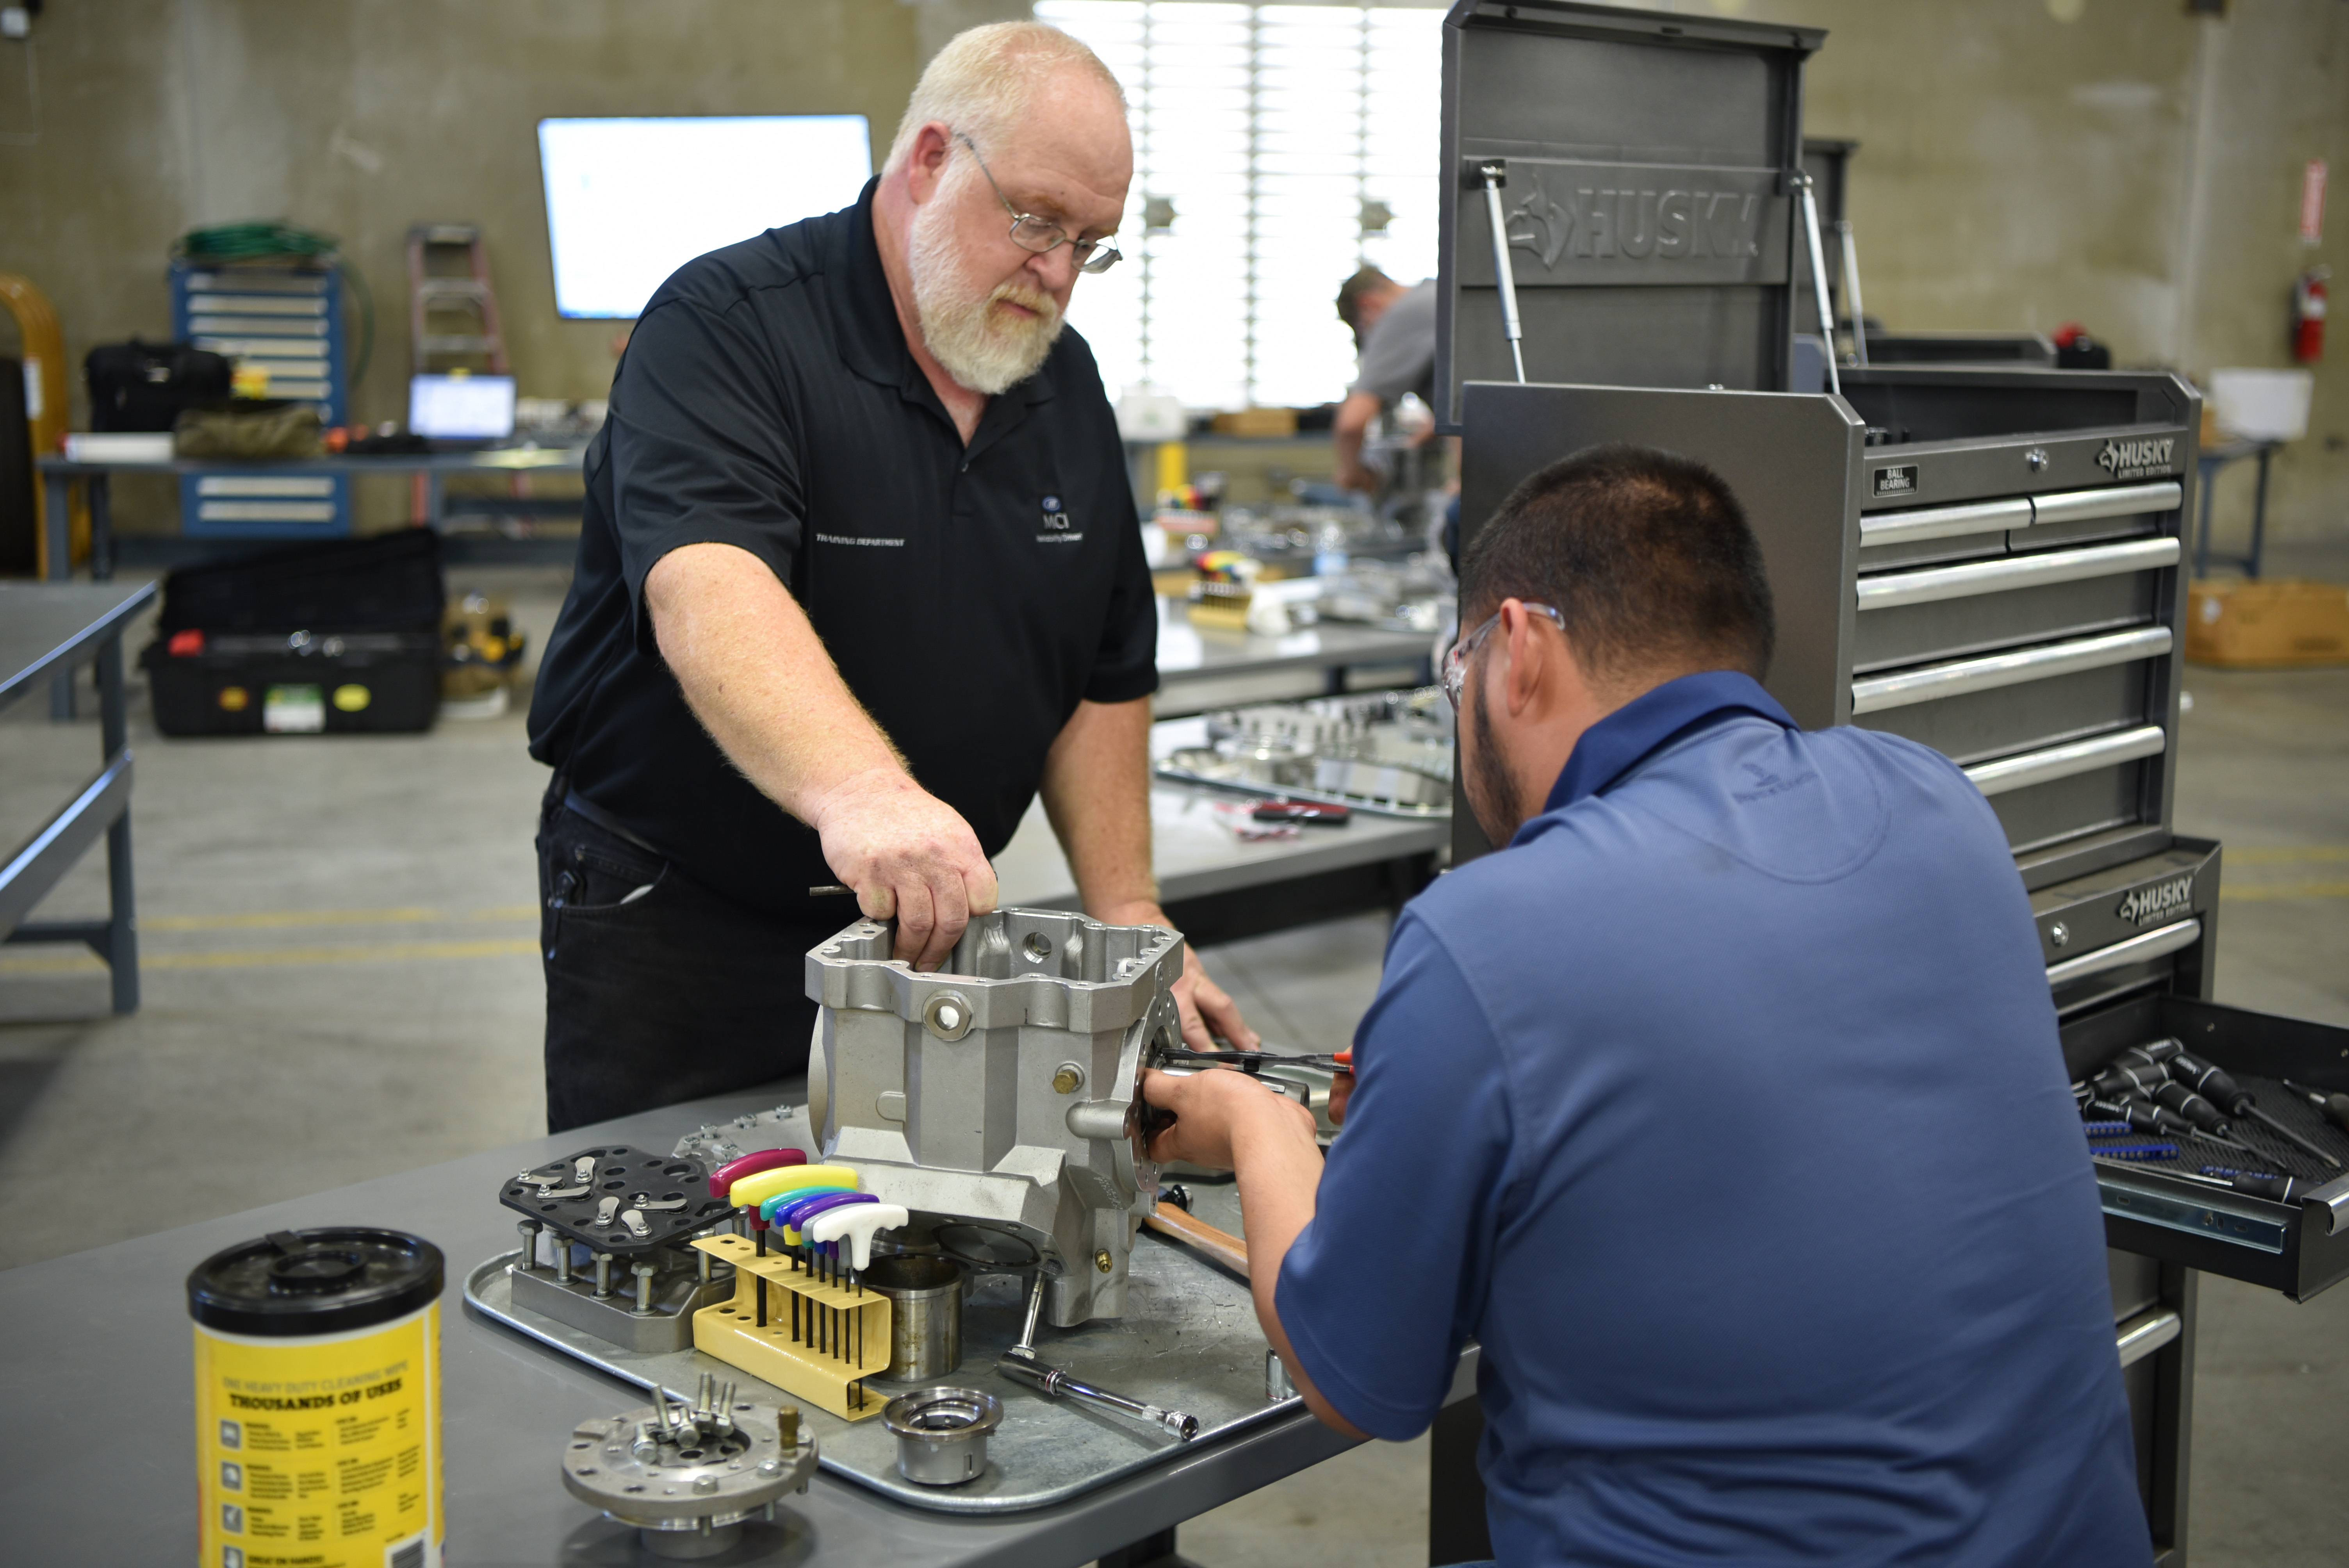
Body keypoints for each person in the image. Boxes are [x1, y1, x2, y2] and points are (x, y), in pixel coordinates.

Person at [1141, 445, 2151, 1566]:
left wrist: (1260, 1129)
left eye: (1455, 666)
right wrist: (1451, 1098)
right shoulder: (1938, 802)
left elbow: (1352, 1378)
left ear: (1515, 649)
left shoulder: (1484, 932)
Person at [526, 22, 1256, 1135]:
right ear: (928, 162)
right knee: (677, 1238)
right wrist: (866, 795)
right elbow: (706, 585)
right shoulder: (727, 329)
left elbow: (1102, 670)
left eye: (1090, 243)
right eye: (1034, 221)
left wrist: (1130, 912)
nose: (1058, 271)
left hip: (927, 934)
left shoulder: (1061, 380)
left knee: (898, 1243)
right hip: (680, 921)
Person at [1330, 264, 1435, 495]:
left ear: (1367, 304)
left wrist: (1353, 472)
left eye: (1366, 329)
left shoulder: (1401, 316)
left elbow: (1350, 426)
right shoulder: (1437, 293)